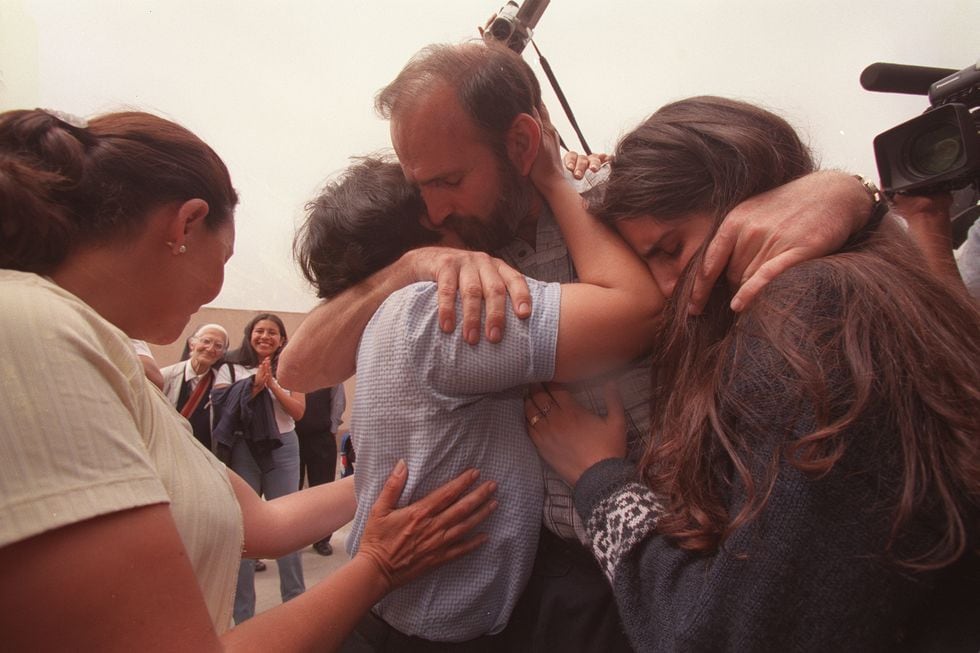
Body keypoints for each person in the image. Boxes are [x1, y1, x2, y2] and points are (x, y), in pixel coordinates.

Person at [278, 41, 882, 652]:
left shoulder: (615, 205)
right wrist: (411, 264)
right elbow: (301, 365)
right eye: (421, 187)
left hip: (692, 555)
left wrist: (847, 190)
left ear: (520, 144)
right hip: (553, 575)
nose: (433, 210)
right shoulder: (452, 252)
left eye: (450, 182)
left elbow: (773, 213)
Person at [0, 107, 498, 651]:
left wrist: (424, 467)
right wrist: (377, 566)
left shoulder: (94, 347)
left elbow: (261, 522)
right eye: (226, 256)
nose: (215, 289)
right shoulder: (31, 331)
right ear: (186, 224)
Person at [525, 96, 980, 652]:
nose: (668, 289)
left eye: (671, 250)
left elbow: (723, 637)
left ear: (750, 201)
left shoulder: (808, 322)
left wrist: (599, 479)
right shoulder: (864, 280)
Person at [293, 106, 661, 648]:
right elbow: (638, 315)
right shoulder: (443, 311)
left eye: (449, 183)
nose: (446, 206)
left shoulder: (392, 316)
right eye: (431, 197)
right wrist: (554, 183)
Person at [215, 313, 307, 623]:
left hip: (283, 449)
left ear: (282, 340)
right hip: (244, 450)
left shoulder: (291, 367)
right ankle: (243, 617)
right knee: (245, 531)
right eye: (259, 331)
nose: (265, 336)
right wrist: (252, 386)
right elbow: (222, 404)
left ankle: (295, 605)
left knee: (288, 525)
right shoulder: (228, 366)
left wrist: (272, 386)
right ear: (249, 335)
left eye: (272, 332)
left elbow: (298, 410)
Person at [296, 383, 347, 556]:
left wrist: (331, 428)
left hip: (321, 436)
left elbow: (338, 399)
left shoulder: (326, 370)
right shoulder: (286, 366)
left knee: (323, 489)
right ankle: (294, 538)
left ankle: (322, 539)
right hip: (291, 438)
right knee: (292, 491)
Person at [161, 323, 230, 450]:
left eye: (218, 346)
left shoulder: (221, 385)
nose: (210, 349)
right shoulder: (165, 377)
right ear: (192, 344)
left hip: (202, 454)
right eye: (206, 341)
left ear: (222, 354)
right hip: (166, 448)